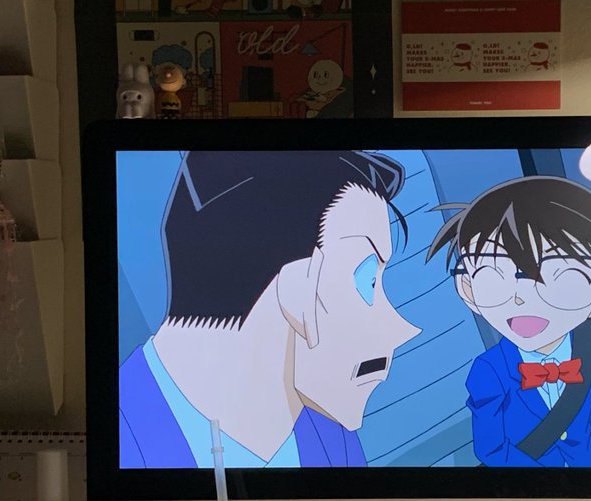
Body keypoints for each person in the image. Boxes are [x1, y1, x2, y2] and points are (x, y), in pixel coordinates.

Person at [119, 150, 419, 467]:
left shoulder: (330, 435)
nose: (402, 329)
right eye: (368, 281)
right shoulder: (123, 431)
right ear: (297, 282)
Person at [427, 175, 591, 467]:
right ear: (468, 290)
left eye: (561, 276)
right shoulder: (489, 370)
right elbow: (491, 449)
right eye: (495, 275)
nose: (522, 297)